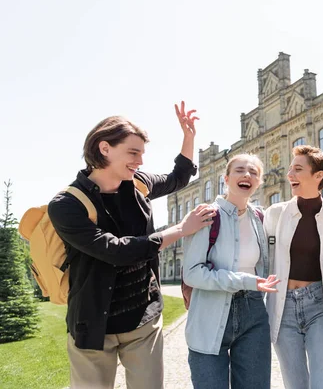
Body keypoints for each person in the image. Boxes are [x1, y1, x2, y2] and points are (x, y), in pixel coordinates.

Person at [48, 101, 215, 389]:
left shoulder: (138, 183)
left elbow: (178, 178)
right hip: (93, 324)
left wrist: (188, 138)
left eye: (141, 154)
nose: (140, 161)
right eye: (133, 152)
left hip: (143, 318)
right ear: (104, 148)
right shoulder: (67, 205)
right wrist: (180, 230)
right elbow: (116, 251)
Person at [182, 153, 279, 389]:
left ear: (259, 182)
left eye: (254, 172)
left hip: (253, 313)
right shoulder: (206, 215)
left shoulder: (261, 218)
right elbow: (193, 273)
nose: (247, 174)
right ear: (226, 178)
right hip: (210, 311)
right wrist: (246, 281)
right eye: (239, 170)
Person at [263, 145, 323, 389]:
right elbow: (261, 261)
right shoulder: (274, 214)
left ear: (318, 176)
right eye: (290, 168)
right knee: (295, 384)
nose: (290, 174)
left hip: (319, 306)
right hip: (283, 306)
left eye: (298, 169)